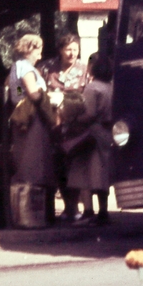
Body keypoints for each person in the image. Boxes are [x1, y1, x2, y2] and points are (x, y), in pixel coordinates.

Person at [61, 53, 114, 225]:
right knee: (102, 174)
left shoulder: (92, 88)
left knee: (87, 173)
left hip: (92, 133)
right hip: (107, 133)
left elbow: (89, 113)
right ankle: (104, 211)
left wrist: (73, 119)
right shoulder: (111, 86)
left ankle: (88, 210)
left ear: (93, 68)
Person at [7, 34, 55, 216]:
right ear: (30, 49)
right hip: (33, 118)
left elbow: (17, 90)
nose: (40, 56)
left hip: (22, 116)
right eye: (38, 51)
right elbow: (33, 93)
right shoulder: (26, 68)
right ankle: (34, 212)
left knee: (25, 161)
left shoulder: (15, 67)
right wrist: (50, 97)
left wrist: (21, 97)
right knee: (34, 162)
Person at [42, 34, 88, 221]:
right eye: (68, 49)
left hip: (77, 126)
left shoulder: (85, 69)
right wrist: (21, 96)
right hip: (53, 126)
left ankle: (74, 207)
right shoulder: (47, 69)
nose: (72, 53)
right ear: (60, 50)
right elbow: (20, 87)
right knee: (58, 166)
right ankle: (67, 207)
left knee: (75, 166)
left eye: (75, 49)